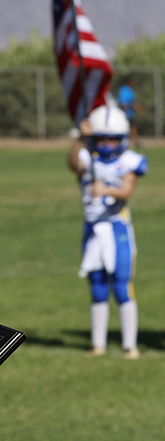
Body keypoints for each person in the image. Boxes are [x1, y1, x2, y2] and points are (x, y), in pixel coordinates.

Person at [67, 105, 146, 358]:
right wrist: (80, 137)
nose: (107, 142)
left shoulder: (129, 160)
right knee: (97, 287)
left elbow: (126, 191)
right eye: (102, 137)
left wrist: (106, 190)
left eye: (112, 138)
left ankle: (129, 345)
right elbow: (72, 163)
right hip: (92, 230)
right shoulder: (86, 156)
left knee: (122, 287)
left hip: (117, 228)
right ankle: (98, 344)